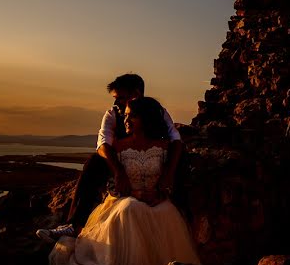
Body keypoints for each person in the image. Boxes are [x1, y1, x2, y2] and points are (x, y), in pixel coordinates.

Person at [47, 96, 202, 265]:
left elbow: (168, 179)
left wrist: (161, 194)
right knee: (131, 209)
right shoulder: (118, 147)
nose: (126, 121)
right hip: (124, 200)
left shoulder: (164, 147)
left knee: (167, 210)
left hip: (156, 199)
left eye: (132, 116)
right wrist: (135, 193)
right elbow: (115, 185)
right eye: (125, 116)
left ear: (147, 119)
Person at [37, 73, 185, 242]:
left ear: (136, 93)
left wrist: (169, 173)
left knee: (182, 157)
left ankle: (183, 209)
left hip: (155, 163)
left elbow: (176, 140)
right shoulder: (112, 114)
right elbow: (103, 144)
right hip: (121, 161)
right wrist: (118, 170)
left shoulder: (158, 112)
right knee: (93, 162)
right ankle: (74, 224)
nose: (115, 102)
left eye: (120, 97)